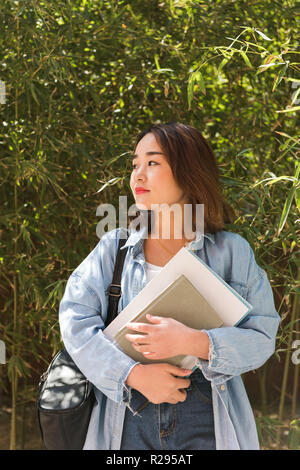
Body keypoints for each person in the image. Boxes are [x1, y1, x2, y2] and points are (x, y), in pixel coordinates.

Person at [59, 122, 280, 450]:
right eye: (134, 164)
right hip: (127, 416)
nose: (137, 174)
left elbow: (262, 339)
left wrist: (194, 341)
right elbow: (75, 325)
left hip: (208, 417)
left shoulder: (232, 252)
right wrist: (133, 375)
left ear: (189, 170)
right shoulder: (112, 249)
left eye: (152, 162)